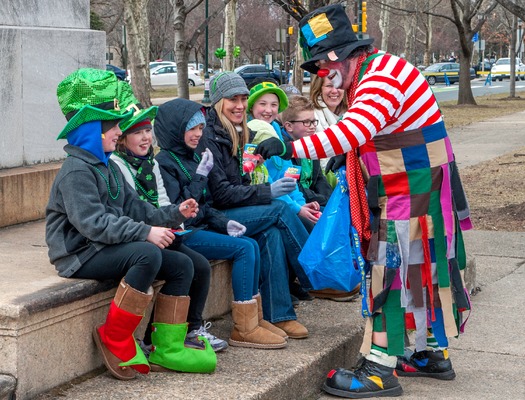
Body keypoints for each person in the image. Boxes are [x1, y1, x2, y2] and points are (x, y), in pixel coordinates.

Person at [255, 4, 473, 398]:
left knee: (388, 270)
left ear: (339, 57)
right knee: (416, 270)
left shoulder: (380, 77)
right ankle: (428, 353)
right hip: (415, 183)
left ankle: (379, 368)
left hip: (410, 187)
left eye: (322, 67)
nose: (324, 78)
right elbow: (367, 132)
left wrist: (289, 145)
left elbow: (355, 129)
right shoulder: (376, 70)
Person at [45, 68, 216, 381]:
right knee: (146, 253)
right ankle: (115, 335)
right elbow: (94, 224)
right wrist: (146, 233)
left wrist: (174, 213)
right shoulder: (76, 172)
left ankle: (166, 346)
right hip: (79, 253)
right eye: (112, 127)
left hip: (102, 245)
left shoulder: (105, 165)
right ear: (91, 131)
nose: (118, 133)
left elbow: (135, 208)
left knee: (181, 265)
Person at [153, 97, 287, 349]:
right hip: (185, 232)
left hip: (203, 224)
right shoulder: (164, 163)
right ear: (174, 129)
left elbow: (206, 205)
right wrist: (200, 178)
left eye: (201, 128)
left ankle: (254, 319)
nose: (197, 134)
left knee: (251, 242)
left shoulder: (193, 157)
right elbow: (181, 209)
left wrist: (224, 223)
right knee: (244, 247)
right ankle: (244, 328)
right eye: (191, 129)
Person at [109, 82, 228, 353]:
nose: (145, 138)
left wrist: (177, 218)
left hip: (158, 229)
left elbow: (162, 200)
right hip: (136, 234)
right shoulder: (118, 165)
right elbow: (133, 208)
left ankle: (187, 329)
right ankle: (155, 338)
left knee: (199, 264)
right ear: (123, 137)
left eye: (148, 131)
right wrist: (160, 225)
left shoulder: (150, 163)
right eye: (137, 132)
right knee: (183, 264)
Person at [203, 71, 314, 339]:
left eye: (243, 98)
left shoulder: (237, 131)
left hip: (230, 209)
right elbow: (220, 195)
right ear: (219, 102)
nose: (240, 105)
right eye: (233, 99)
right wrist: (266, 191)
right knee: (279, 208)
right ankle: (315, 274)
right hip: (214, 216)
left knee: (272, 233)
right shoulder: (210, 136)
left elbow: (237, 183)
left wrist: (254, 171)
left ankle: (279, 315)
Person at [247, 81, 321, 233]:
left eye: (274, 105)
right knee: (305, 225)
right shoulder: (250, 134)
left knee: (317, 220)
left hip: (286, 202)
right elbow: (265, 179)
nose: (269, 110)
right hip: (264, 202)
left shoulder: (277, 131)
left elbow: (288, 175)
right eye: (263, 104)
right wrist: (297, 209)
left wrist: (301, 205)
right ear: (252, 106)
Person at [280, 95, 333, 207]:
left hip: (315, 200)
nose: (313, 127)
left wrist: (329, 198)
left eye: (314, 121)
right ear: (289, 126)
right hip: (298, 204)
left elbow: (319, 178)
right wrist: (323, 201)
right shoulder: (284, 150)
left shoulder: (311, 144)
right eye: (306, 122)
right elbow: (295, 187)